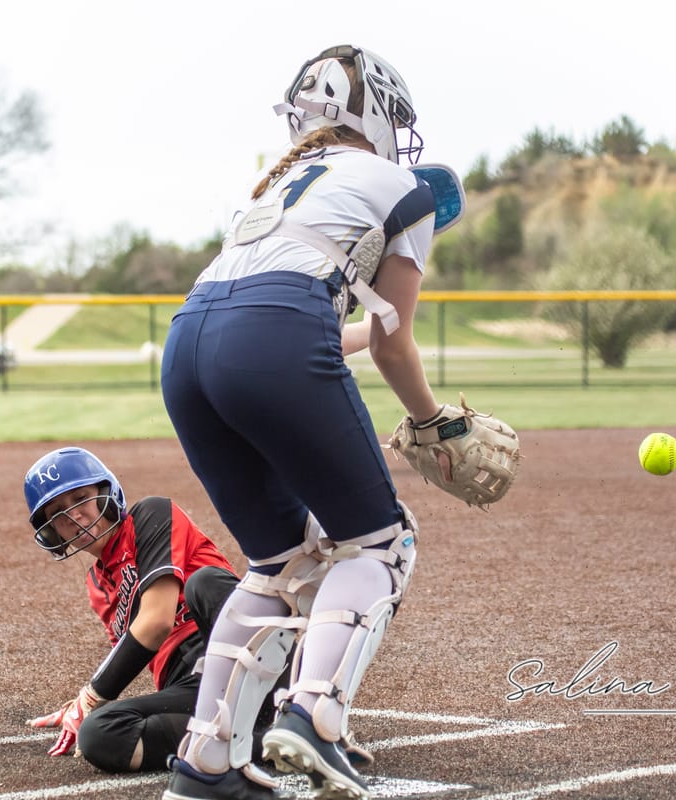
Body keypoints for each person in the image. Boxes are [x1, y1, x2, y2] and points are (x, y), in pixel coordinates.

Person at [158, 45, 456, 800]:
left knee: (281, 564)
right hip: (273, 336)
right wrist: (434, 423)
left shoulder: (282, 181)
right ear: (378, 114)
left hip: (188, 344)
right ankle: (314, 714)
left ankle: (208, 759)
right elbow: (392, 343)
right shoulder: (401, 185)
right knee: (381, 543)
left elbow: (301, 323)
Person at [23, 446, 272, 773]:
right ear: (52, 531)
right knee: (98, 733)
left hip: (239, 652)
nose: (73, 515)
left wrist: (91, 695)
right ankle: (264, 743)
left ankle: (276, 704)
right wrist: (83, 708)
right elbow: (127, 655)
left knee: (205, 584)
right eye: (58, 512)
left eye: (81, 498)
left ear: (106, 494)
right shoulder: (97, 585)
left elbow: (156, 623)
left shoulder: (151, 515)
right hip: (190, 685)